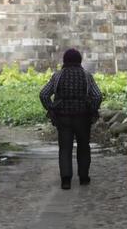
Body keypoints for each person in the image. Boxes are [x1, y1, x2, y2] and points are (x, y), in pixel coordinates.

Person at [39, 48, 102, 190]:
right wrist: (92, 109)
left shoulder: (58, 76)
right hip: (83, 118)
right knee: (84, 147)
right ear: (79, 60)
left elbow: (43, 94)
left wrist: (52, 108)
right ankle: (84, 177)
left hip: (63, 118)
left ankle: (66, 180)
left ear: (64, 61)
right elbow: (97, 96)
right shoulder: (86, 76)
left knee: (65, 148)